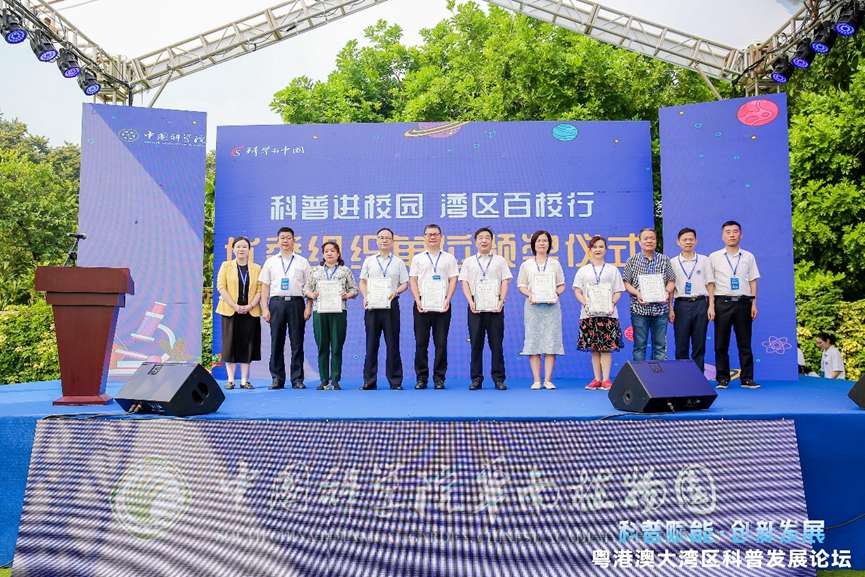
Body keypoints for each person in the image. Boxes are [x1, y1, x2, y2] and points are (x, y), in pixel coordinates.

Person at [707, 220, 760, 390]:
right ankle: (723, 378)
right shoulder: (714, 257)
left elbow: (753, 281)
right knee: (720, 343)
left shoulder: (748, 256)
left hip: (744, 302)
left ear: (741, 235)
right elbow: (710, 283)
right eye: (728, 232)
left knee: (744, 343)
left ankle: (747, 378)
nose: (732, 235)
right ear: (722, 236)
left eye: (735, 232)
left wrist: (753, 303)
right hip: (722, 302)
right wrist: (711, 305)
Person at [459, 227, 512, 390]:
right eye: (480, 238)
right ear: (476, 242)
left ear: (492, 241)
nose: (484, 240)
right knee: (476, 344)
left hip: (495, 307)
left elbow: (505, 281)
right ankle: (476, 379)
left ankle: (499, 379)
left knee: (496, 344)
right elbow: (464, 282)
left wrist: (501, 301)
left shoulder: (500, 261)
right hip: (475, 307)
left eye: (487, 237)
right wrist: (470, 301)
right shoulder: (468, 261)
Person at [258, 227, 312, 390]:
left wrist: (308, 307)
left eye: (288, 238)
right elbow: (265, 287)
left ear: (294, 240)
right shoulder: (270, 262)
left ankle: (297, 379)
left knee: (297, 342)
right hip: (276, 303)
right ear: (278, 241)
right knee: (276, 341)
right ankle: (277, 378)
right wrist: (264, 308)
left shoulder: (302, 262)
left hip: (297, 303)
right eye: (282, 238)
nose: (285, 241)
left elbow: (309, 286)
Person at [409, 224, 459, 389]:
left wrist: (448, 299)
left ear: (441, 236)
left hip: (442, 305)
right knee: (421, 343)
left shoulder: (449, 258)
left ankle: (439, 378)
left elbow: (453, 279)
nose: (432, 237)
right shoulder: (417, 258)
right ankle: (421, 378)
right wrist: (417, 299)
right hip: (422, 305)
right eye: (429, 234)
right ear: (424, 237)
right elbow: (413, 280)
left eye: (435, 234)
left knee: (441, 343)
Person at [359, 227, 409, 390]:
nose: (384, 240)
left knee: (393, 344)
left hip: (391, 306)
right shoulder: (369, 261)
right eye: (381, 237)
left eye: (387, 237)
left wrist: (396, 291)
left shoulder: (398, 262)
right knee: (371, 344)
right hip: (372, 305)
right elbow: (363, 281)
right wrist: (365, 296)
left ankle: (395, 381)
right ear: (377, 240)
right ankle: (369, 381)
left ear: (392, 241)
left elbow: (405, 283)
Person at [572, 235, 625, 391]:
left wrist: (612, 303)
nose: (598, 249)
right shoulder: (583, 270)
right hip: (589, 314)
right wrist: (586, 304)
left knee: (606, 348)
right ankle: (597, 379)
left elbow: (618, 291)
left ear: (605, 249)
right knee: (594, 348)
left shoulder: (612, 270)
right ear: (590, 250)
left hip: (608, 314)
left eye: (601, 246)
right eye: (594, 247)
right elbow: (577, 291)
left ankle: (606, 379)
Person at [304, 241, 358, 390]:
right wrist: (312, 294)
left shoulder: (345, 271)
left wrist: (347, 295)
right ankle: (323, 380)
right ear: (323, 254)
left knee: (336, 346)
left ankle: (335, 380)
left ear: (338, 254)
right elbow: (306, 289)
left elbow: (354, 290)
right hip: (319, 311)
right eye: (326, 251)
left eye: (332, 251)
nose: (329, 253)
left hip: (338, 312)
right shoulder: (315, 271)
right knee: (322, 346)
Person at [517, 230, 566, 390]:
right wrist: (530, 294)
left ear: (549, 244)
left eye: (545, 240)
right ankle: (537, 380)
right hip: (533, 307)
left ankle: (548, 380)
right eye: (539, 241)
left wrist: (555, 293)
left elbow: (561, 285)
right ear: (533, 244)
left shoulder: (555, 264)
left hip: (552, 308)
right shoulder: (526, 265)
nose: (542, 243)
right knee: (534, 341)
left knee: (551, 341)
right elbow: (521, 286)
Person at [215, 236, 262, 390]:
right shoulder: (226, 265)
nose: (241, 249)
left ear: (249, 250)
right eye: (238, 247)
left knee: (247, 345)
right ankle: (230, 380)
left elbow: (260, 290)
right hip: (230, 310)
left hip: (250, 311)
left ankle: (244, 380)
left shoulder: (257, 268)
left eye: (244, 247)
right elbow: (221, 287)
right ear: (233, 249)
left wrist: (250, 305)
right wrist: (234, 305)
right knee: (230, 344)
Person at [623, 228, 676, 361]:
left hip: (660, 310)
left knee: (660, 346)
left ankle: (658, 374)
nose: (649, 241)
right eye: (645, 238)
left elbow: (671, 281)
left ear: (656, 241)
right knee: (639, 346)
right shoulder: (632, 260)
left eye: (652, 238)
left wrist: (666, 292)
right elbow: (626, 283)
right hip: (639, 310)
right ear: (639, 242)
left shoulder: (664, 260)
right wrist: (637, 293)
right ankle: (639, 374)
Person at [669, 227, 714, 373]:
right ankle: (682, 377)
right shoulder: (673, 262)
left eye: (691, 239)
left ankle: (698, 377)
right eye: (684, 239)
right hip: (681, 305)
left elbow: (710, 284)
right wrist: (670, 308)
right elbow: (670, 288)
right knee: (681, 343)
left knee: (699, 343)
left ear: (696, 241)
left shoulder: (704, 260)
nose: (688, 242)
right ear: (678, 242)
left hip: (701, 304)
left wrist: (711, 306)